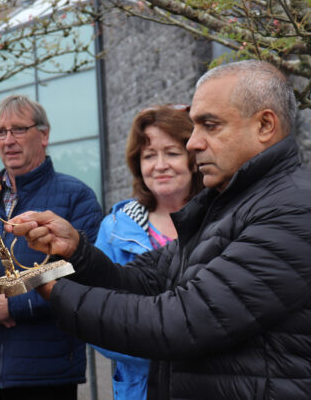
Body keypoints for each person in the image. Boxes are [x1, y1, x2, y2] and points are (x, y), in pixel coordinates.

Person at [8, 60, 311, 399]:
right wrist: (77, 253)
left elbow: (182, 321)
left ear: (264, 125)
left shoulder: (295, 211)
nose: (192, 143)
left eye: (210, 126)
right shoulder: (227, 205)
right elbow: (144, 282)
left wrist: (52, 288)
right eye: (195, 127)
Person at [0, 94, 102, 400]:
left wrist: (10, 300)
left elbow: (72, 271)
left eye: (18, 129)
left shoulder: (76, 197)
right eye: (0, 132)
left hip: (46, 372)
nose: (8, 140)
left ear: (44, 135)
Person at [93, 104, 203, 400]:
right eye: (149, 155)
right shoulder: (114, 229)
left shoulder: (219, 219)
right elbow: (97, 317)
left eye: (172, 153)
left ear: (193, 160)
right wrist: (162, 352)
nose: (160, 165)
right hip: (141, 389)